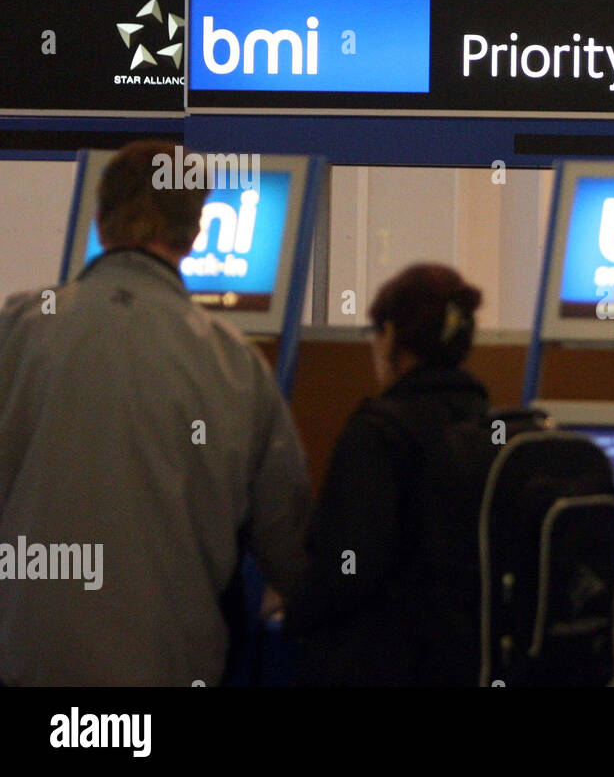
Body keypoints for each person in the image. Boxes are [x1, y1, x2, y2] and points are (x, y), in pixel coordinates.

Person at [0, 141, 311, 686]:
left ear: (99, 220)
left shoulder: (19, 328)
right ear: (194, 234)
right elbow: (286, 537)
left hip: (26, 655)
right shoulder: (234, 361)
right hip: (168, 662)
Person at [285, 264, 497, 686]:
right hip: (467, 663)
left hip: (385, 664)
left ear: (391, 336)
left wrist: (298, 608)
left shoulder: (380, 433)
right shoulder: (490, 431)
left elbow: (350, 567)